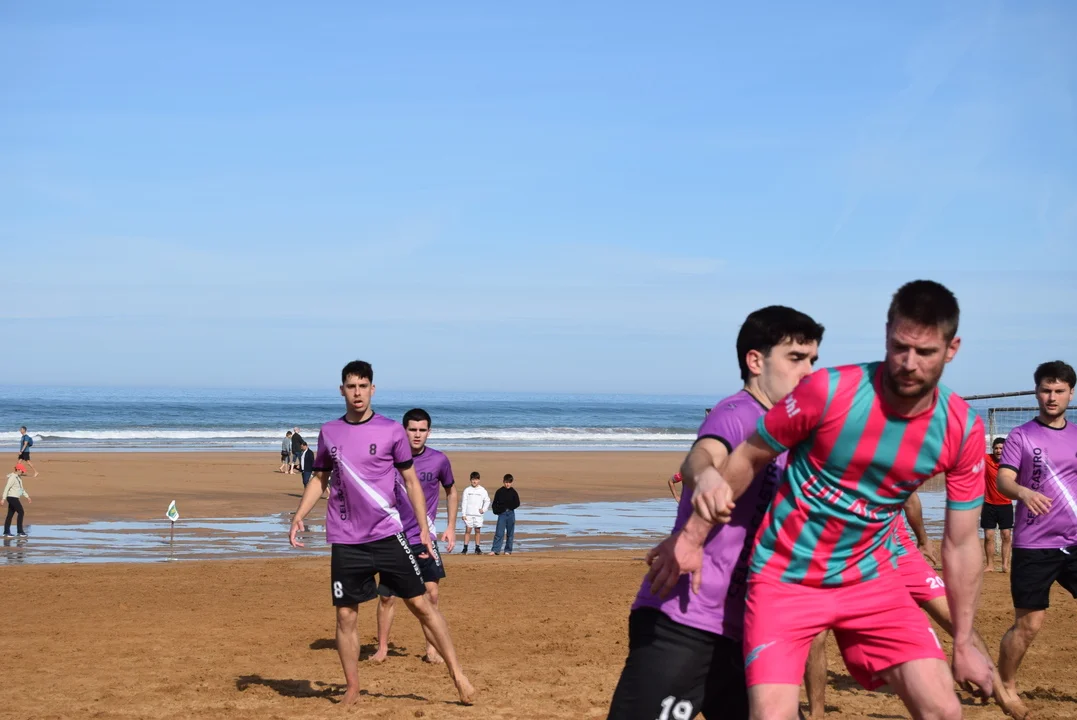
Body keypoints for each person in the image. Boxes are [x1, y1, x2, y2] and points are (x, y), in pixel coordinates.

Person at [647, 280, 995, 720]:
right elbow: (747, 457)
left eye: (925, 352)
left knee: (944, 709)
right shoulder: (829, 390)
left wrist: (963, 642)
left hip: (871, 579)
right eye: (899, 347)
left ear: (952, 349)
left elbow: (961, 543)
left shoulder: (961, 429)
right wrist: (691, 538)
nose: (909, 364)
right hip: (785, 580)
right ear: (887, 334)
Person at [607, 305, 825, 720]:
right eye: (796, 358)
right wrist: (705, 476)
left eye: (813, 360)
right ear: (756, 361)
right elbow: (703, 455)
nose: (808, 372)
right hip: (684, 623)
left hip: (747, 636)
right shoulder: (737, 413)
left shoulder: (791, 436)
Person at [288, 360, 474, 706]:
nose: (357, 393)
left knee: (421, 604)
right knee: (345, 615)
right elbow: (320, 477)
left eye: (363, 386)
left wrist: (423, 529)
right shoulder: (330, 431)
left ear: (372, 389)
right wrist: (299, 515)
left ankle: (458, 674)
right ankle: (353, 688)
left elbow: (411, 481)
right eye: (351, 386)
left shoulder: (391, 431)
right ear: (342, 390)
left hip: (388, 535)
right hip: (346, 540)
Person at [803, 489, 1018, 719]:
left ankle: (1003, 695)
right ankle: (817, 713)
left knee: (955, 620)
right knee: (816, 634)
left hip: (900, 552)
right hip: (845, 560)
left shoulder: (887, 468)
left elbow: (910, 498)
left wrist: (923, 539)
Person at [995, 360, 1077, 720]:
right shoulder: (1021, 436)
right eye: (1046, 390)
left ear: (1070, 393)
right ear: (1036, 392)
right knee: (1029, 625)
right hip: (1034, 545)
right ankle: (1006, 686)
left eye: (1059, 391)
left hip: (1074, 541)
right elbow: (1004, 480)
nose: (1052, 397)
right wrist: (1024, 492)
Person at [372, 407, 460, 664]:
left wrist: (451, 526)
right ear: (404, 431)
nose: (417, 434)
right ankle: (382, 649)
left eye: (422, 430)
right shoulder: (389, 460)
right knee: (387, 596)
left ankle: (431, 649)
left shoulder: (439, 460)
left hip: (424, 538)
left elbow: (451, 491)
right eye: (412, 429)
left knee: (431, 594)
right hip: (393, 537)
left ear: (429, 432)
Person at [982, 437, 1014, 572]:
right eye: (996, 448)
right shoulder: (986, 459)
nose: (998, 450)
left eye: (1001, 448)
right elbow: (971, 449)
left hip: (1006, 504)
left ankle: (1005, 565)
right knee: (988, 536)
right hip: (988, 504)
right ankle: (990, 565)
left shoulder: (1011, 462)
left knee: (1006, 535)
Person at [488, 474, 520, 556]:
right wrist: (497, 511)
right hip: (502, 514)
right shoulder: (499, 491)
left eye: (509, 482)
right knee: (499, 532)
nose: (507, 484)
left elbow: (517, 503)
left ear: (511, 482)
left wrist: (510, 507)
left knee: (510, 533)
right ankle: (495, 550)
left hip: (511, 513)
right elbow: (495, 504)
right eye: (506, 482)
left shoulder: (513, 492)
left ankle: (508, 550)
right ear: (503, 482)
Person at [459, 472, 490, 555]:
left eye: (476, 479)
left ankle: (477, 548)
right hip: (468, 514)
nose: (474, 481)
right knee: (468, 530)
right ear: (470, 480)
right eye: (473, 479)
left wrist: (483, 509)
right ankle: (465, 548)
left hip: (478, 515)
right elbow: (464, 502)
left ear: (479, 480)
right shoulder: (467, 490)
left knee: (477, 530)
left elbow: (487, 501)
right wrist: (463, 514)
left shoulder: (482, 490)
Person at [2, 463, 31, 537]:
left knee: (10, 514)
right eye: (22, 470)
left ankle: (6, 532)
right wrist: (3, 498)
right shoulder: (12, 477)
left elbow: (21, 489)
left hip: (15, 497)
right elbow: (7, 488)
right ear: (18, 469)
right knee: (21, 512)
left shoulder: (18, 478)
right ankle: (20, 531)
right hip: (12, 497)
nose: (22, 472)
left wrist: (27, 496)